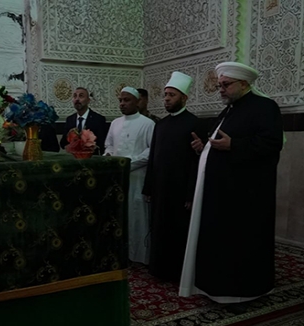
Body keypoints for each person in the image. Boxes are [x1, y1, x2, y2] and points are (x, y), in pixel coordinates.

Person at [179, 61, 284, 311]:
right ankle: (217, 288)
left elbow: (271, 144)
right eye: (220, 85)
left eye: (226, 85)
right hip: (222, 192)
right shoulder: (230, 110)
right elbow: (220, 144)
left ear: (244, 84)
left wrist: (234, 146)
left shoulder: (265, 107)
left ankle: (240, 294)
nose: (221, 90)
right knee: (220, 243)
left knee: (239, 244)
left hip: (245, 195)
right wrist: (204, 148)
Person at [142, 71, 208, 282]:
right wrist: (148, 187)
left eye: (172, 95)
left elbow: (197, 162)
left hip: (180, 191)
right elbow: (153, 158)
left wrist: (190, 194)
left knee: (177, 231)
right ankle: (158, 270)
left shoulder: (194, 123)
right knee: (158, 228)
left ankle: (176, 273)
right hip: (160, 189)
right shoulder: (160, 125)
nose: (167, 99)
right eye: (165, 95)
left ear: (184, 98)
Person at [104, 87, 155, 264]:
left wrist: (127, 164)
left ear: (137, 102)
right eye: (120, 100)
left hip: (138, 178)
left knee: (137, 216)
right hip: (117, 178)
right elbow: (109, 145)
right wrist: (109, 155)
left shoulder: (148, 124)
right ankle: (119, 253)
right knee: (118, 216)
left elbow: (151, 151)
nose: (122, 104)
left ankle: (138, 256)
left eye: (127, 100)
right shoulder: (115, 123)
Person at [59, 87, 108, 154]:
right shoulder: (70, 119)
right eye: (75, 96)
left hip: (92, 158)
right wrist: (69, 135)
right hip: (74, 157)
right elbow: (63, 144)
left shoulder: (98, 119)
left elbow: (102, 144)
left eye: (81, 96)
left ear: (88, 100)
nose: (77, 99)